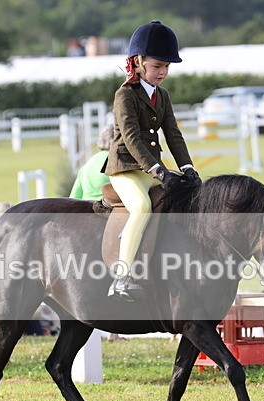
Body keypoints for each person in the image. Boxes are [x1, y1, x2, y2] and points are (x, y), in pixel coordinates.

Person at [103, 20, 198, 300]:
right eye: (158, 66)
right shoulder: (125, 95)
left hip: (151, 169)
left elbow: (174, 134)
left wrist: (187, 168)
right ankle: (121, 278)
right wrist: (158, 169)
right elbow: (131, 138)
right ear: (138, 62)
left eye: (167, 67)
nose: (163, 72)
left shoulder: (163, 96)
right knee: (142, 207)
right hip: (125, 168)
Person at [70, 124, 115, 201]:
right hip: (108, 208)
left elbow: (73, 198)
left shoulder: (86, 165)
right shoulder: (117, 162)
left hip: (86, 210)